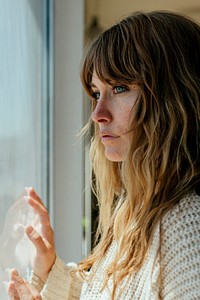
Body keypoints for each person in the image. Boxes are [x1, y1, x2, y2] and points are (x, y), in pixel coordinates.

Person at [8, 10, 200, 300]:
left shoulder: (187, 228)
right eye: (96, 93)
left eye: (120, 88)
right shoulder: (136, 211)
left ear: (173, 99)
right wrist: (50, 270)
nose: (97, 114)